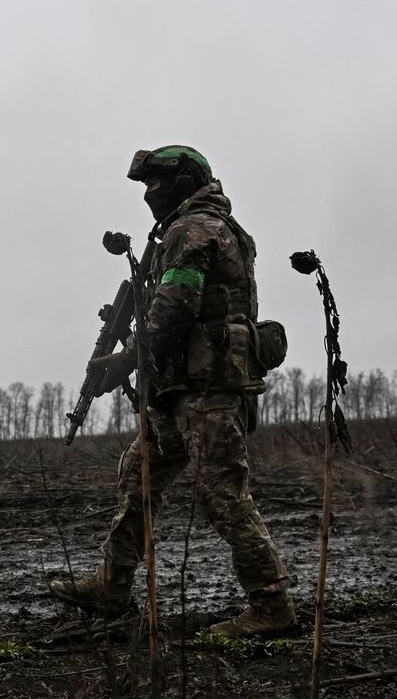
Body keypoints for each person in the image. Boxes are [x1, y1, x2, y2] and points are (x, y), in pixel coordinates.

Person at [49, 145, 295, 637]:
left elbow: (176, 306)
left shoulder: (195, 228)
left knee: (223, 495)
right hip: (180, 389)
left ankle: (271, 606)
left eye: (154, 185)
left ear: (184, 183)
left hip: (207, 392)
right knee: (138, 476)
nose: (148, 195)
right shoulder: (194, 228)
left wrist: (127, 360)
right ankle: (112, 585)